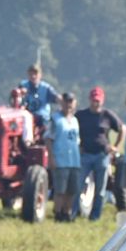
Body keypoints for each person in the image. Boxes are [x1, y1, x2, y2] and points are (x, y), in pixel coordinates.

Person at [76, 86, 123, 221]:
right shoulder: (81, 115)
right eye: (93, 100)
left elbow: (122, 128)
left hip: (102, 155)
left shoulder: (107, 115)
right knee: (78, 186)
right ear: (89, 100)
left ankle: (95, 216)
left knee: (100, 189)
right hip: (85, 154)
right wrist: (77, 146)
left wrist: (115, 146)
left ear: (102, 101)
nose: (95, 103)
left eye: (98, 101)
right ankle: (74, 212)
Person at [47, 92, 82, 221]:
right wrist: (51, 157)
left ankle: (67, 212)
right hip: (60, 160)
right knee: (60, 190)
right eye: (66, 102)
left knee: (71, 190)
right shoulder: (55, 119)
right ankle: (58, 213)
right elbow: (48, 139)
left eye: (71, 102)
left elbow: (77, 140)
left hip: (74, 161)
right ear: (62, 103)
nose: (69, 105)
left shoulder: (75, 120)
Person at [21, 64, 62, 128]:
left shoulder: (46, 88)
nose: (33, 76)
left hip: (42, 120)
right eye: (31, 74)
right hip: (27, 118)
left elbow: (57, 98)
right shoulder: (23, 86)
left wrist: (61, 101)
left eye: (35, 74)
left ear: (40, 75)